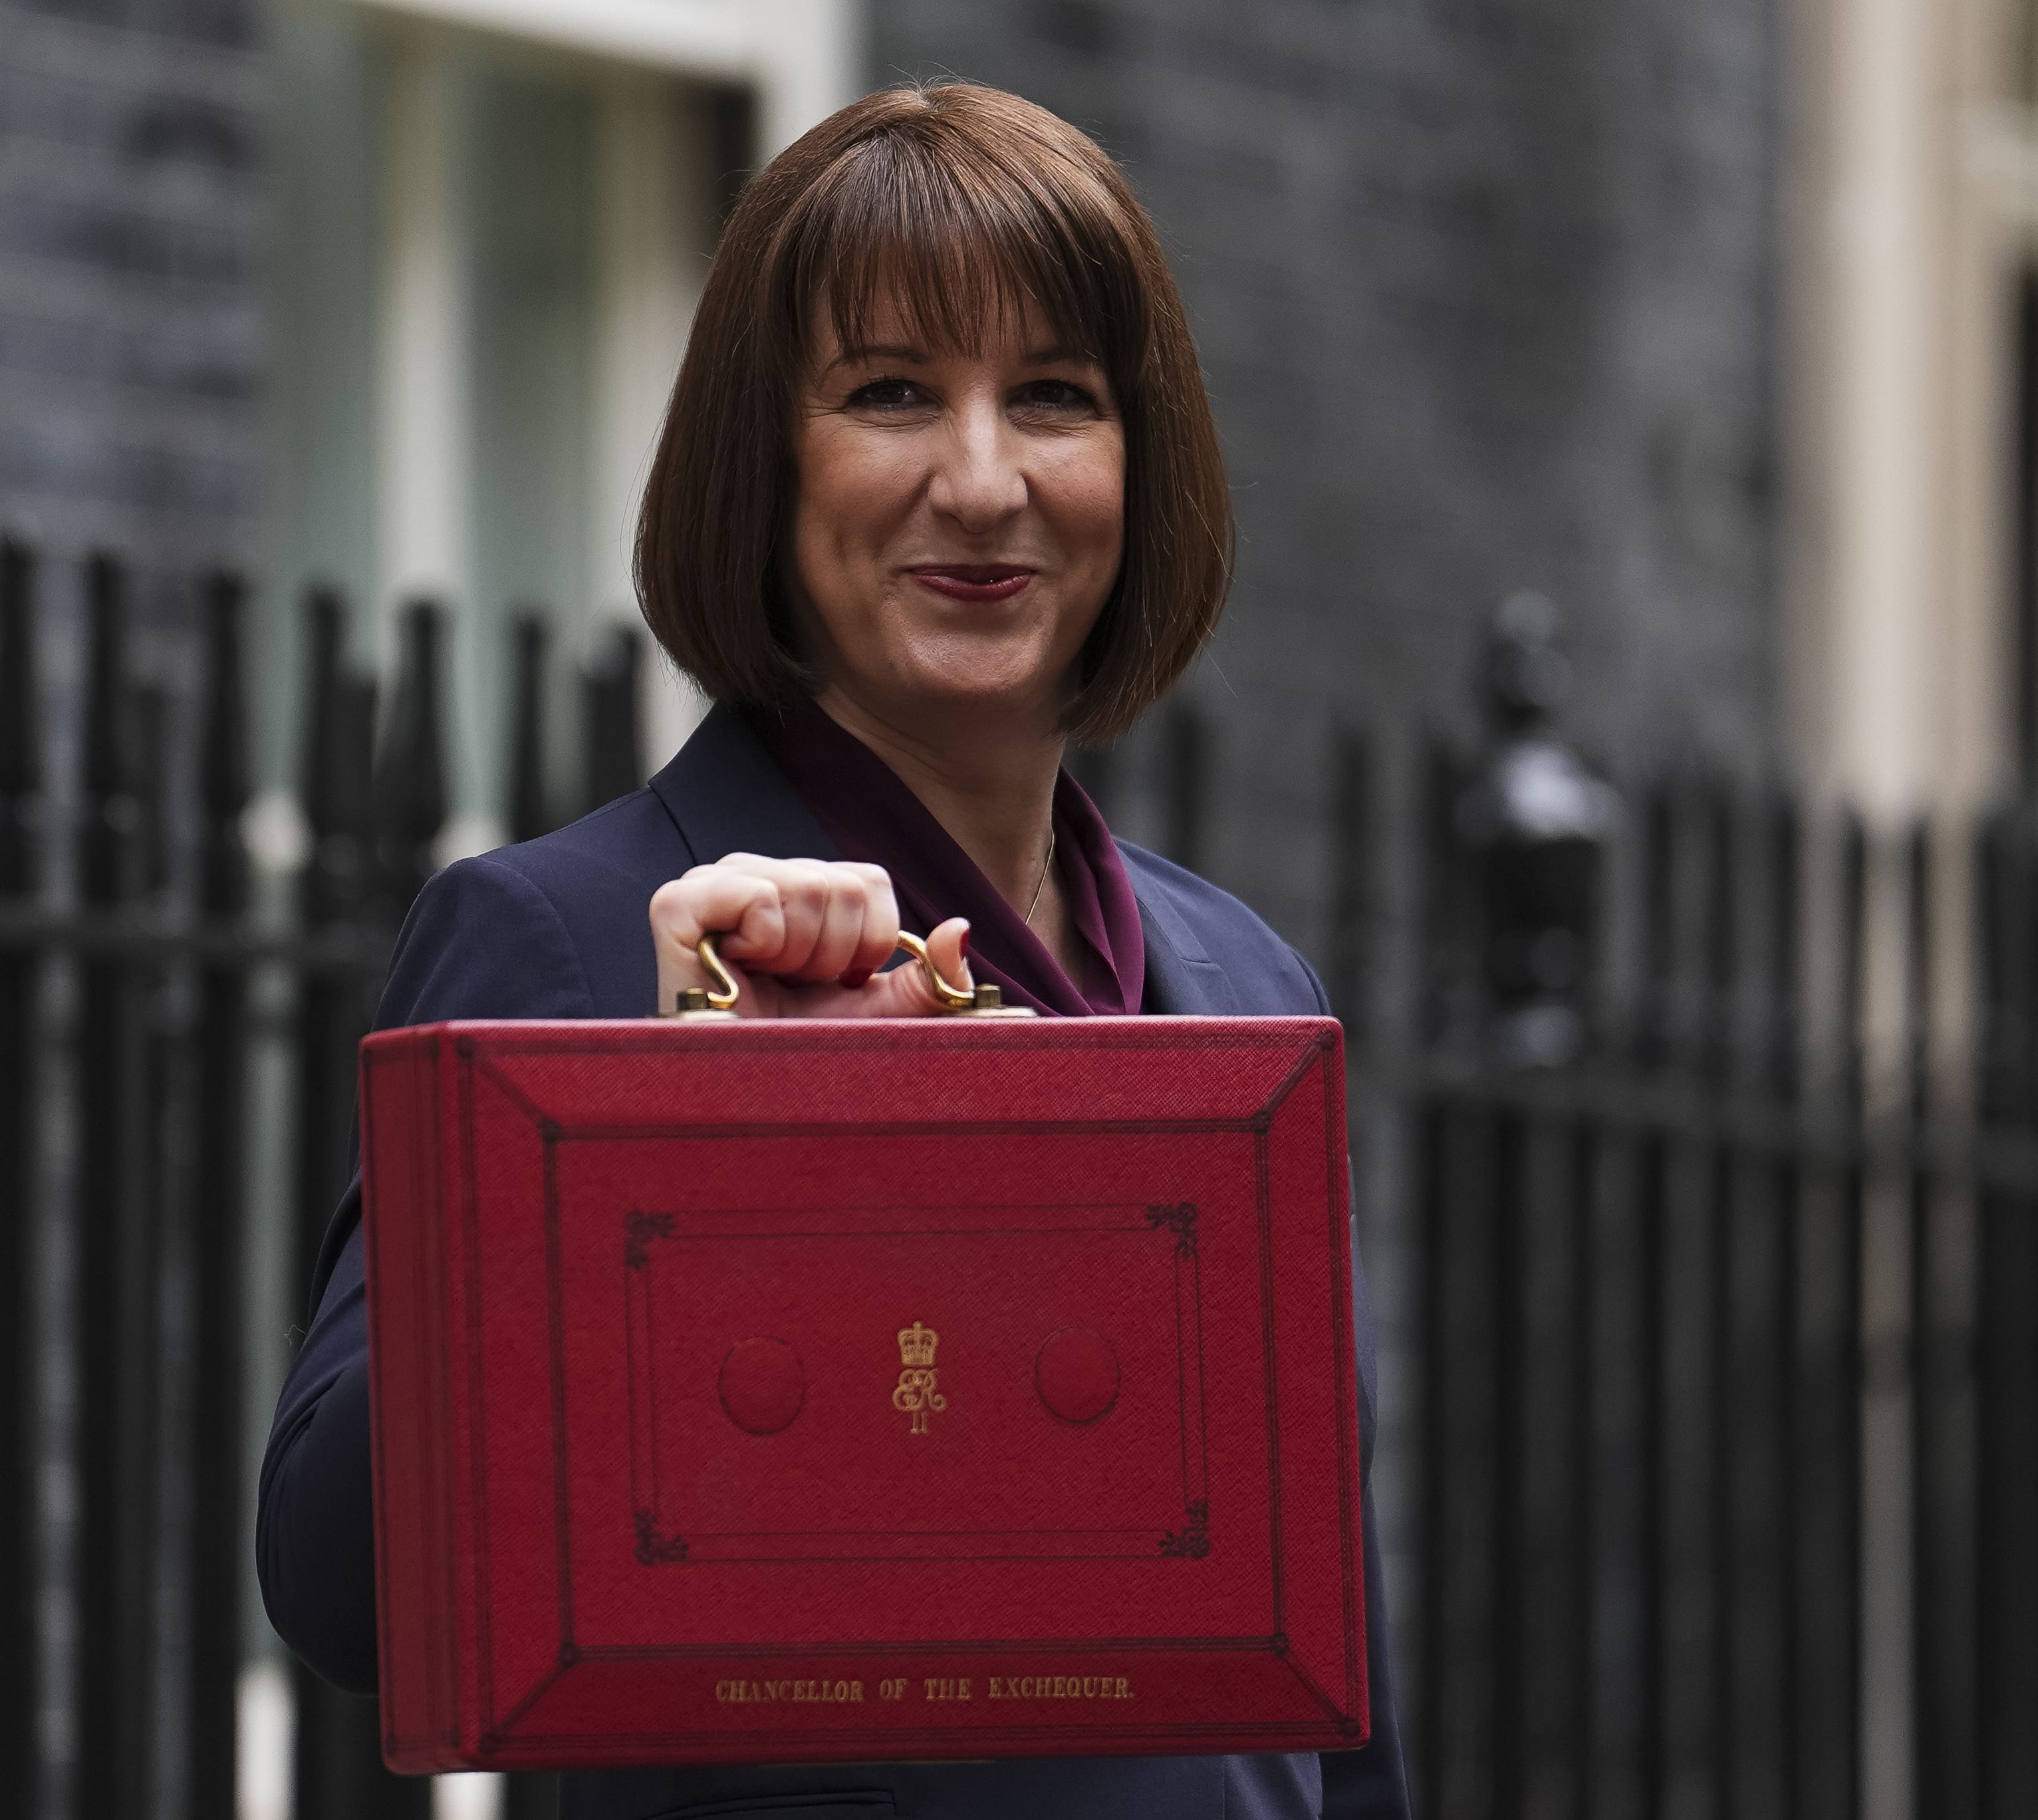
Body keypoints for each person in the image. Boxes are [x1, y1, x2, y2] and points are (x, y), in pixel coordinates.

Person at [258, 80, 1412, 1820]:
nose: (979, 477)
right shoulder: (563, 938)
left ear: (1134, 462)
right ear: (765, 462)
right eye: (888, 392)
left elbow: (1333, 1697)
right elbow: (339, 1586)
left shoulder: (1243, 980)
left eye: (1053, 398)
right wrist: (675, 1117)